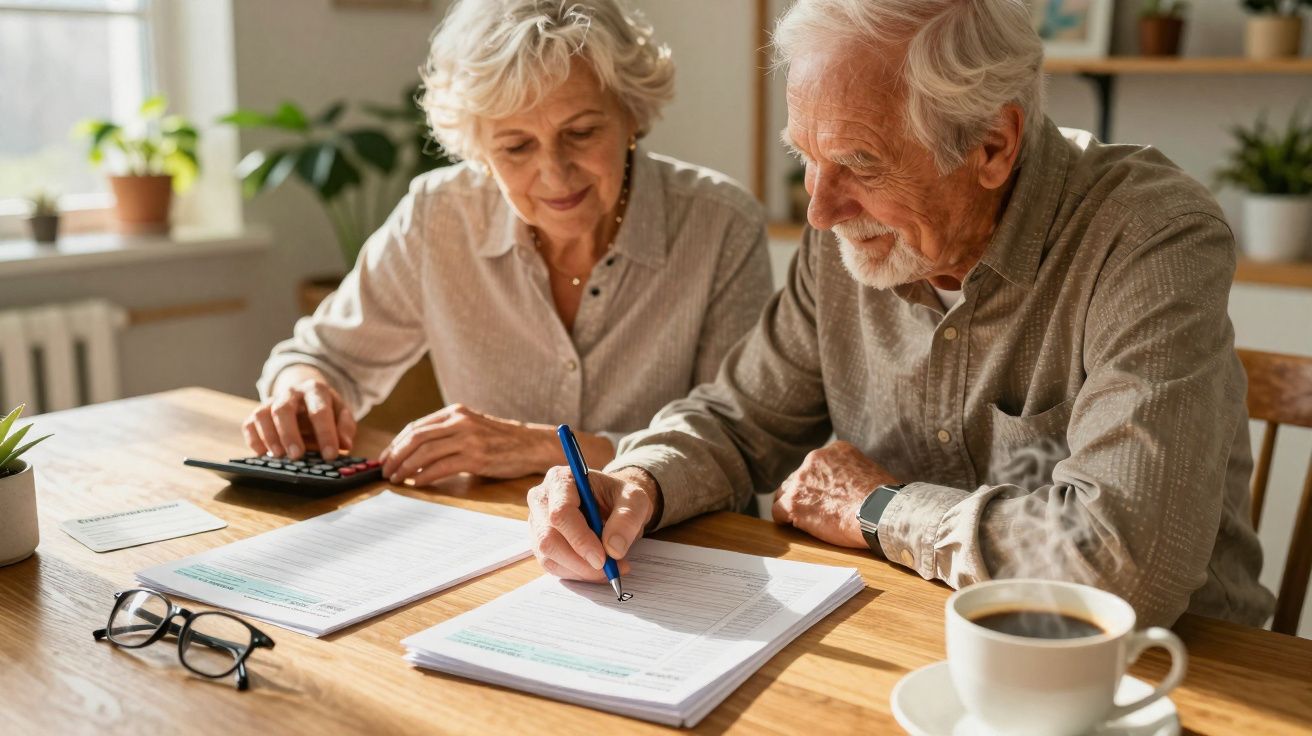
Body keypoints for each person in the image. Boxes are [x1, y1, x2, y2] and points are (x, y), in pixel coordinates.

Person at [527, 0, 1276, 628]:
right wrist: (637, 482)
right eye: (805, 159)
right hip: (919, 638)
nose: (820, 212)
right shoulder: (854, 241)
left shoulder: (1149, 237)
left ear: (992, 144)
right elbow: (737, 418)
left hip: (1168, 676)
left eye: (859, 163)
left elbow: (1123, 564)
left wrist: (881, 509)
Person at [244, 0, 773, 486]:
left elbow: (740, 446)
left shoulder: (720, 225)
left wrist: (552, 450)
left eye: (582, 132)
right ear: (478, 149)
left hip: (681, 549)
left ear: (631, 114)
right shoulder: (439, 216)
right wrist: (303, 386)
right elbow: (323, 358)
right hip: (492, 542)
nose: (555, 173)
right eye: (516, 146)